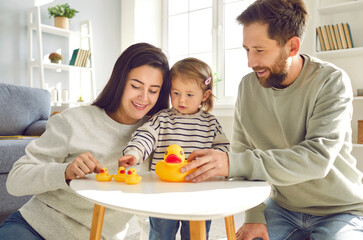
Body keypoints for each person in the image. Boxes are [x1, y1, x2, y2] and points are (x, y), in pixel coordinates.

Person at [180, 0, 363, 240]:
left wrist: (231, 163)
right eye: (247, 50)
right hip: (282, 208)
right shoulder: (248, 86)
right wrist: (254, 216)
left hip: (339, 210)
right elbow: (243, 149)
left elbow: (318, 158)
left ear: (292, 46)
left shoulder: (331, 81)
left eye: (259, 50)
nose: (250, 62)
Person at [0, 42, 170, 240]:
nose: (143, 97)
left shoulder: (158, 134)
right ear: (119, 81)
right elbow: (15, 181)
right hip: (35, 227)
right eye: (135, 86)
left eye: (153, 90)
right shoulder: (74, 120)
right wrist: (64, 172)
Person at [118, 57, 230, 240]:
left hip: (198, 192)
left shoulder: (211, 124)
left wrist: (218, 167)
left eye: (189, 94)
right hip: (163, 192)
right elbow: (145, 136)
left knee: (197, 236)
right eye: (176, 93)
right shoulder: (162, 119)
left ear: (205, 95)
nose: (181, 100)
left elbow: (222, 150)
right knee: (160, 234)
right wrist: (134, 154)